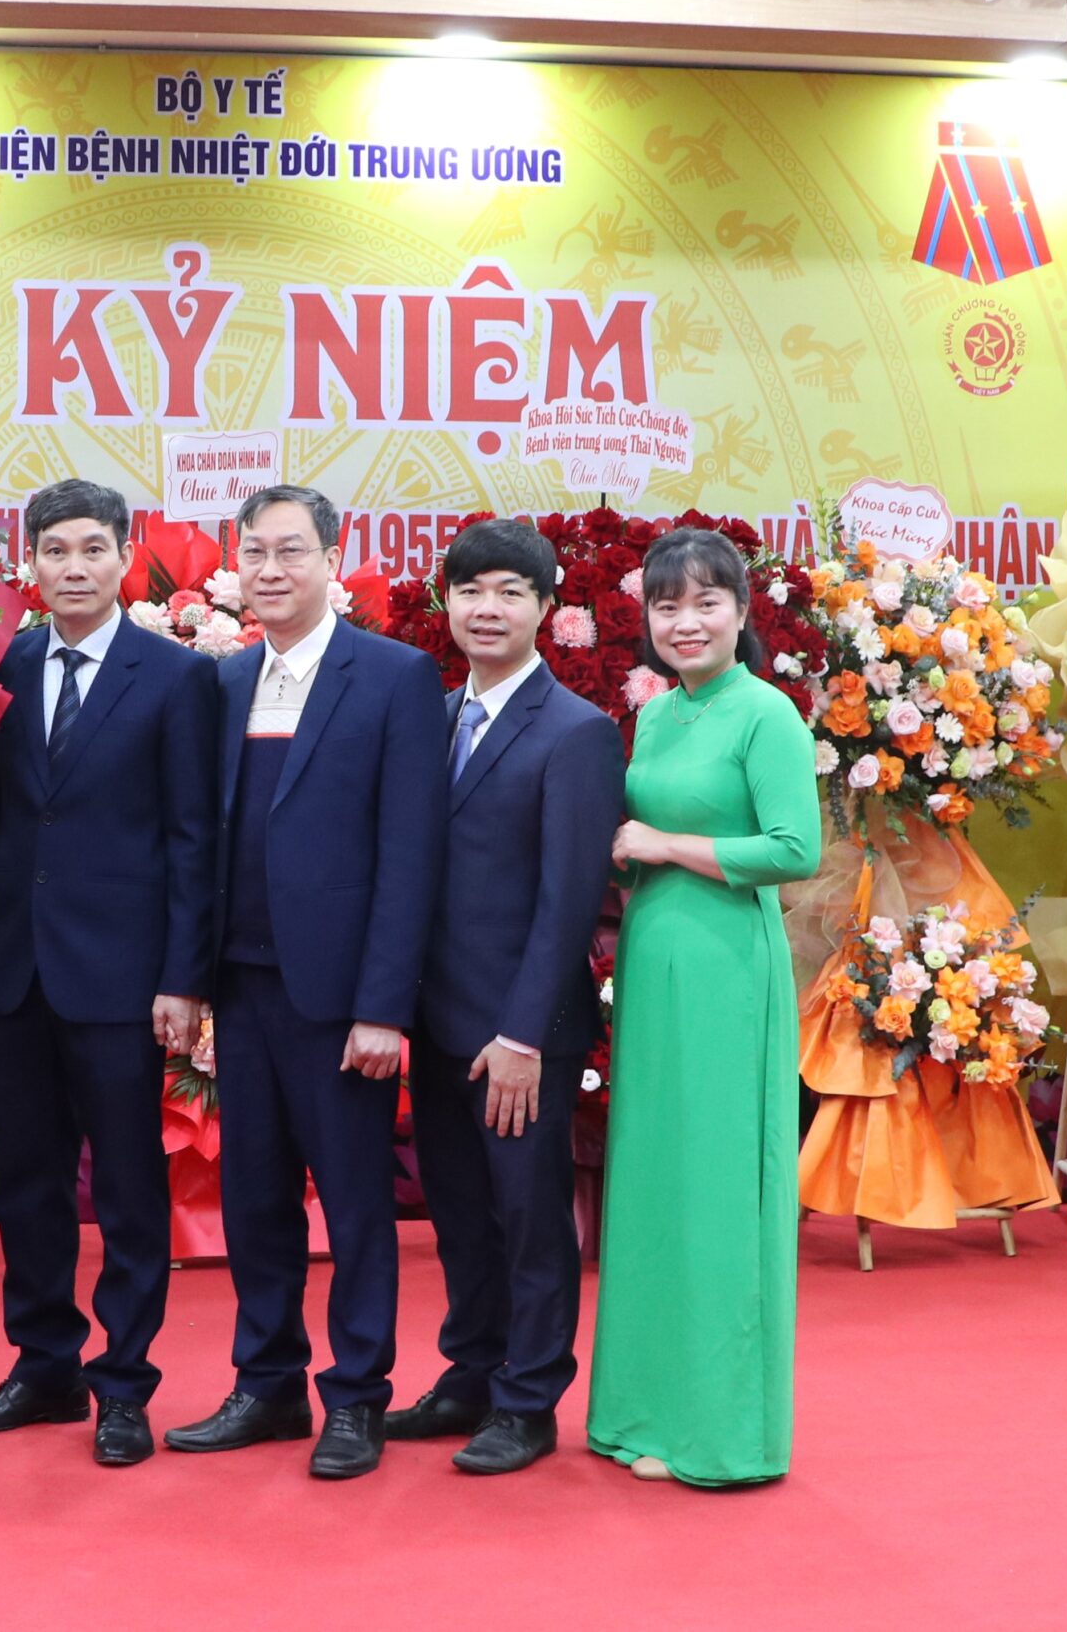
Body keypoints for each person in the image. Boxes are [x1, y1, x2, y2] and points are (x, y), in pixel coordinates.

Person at [0, 479, 219, 1468]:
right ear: (31, 562)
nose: (74, 567)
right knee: (30, 1183)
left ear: (124, 556)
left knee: (129, 1187)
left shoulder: (175, 676)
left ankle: (124, 1381)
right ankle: (43, 1364)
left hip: (124, 976)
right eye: (54, 550)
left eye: (93, 548)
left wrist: (181, 977)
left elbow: (192, 839)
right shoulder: (2, 667)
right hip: (13, 971)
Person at [165, 484, 445, 1480]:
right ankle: (269, 1380)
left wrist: (383, 1005)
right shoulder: (227, 679)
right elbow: (201, 840)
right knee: (255, 1196)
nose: (271, 568)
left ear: (333, 559)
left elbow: (409, 852)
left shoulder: (395, 676)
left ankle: (358, 1393)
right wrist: (187, 978)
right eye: (255, 551)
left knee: (358, 1204)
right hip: (242, 985)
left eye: (291, 550)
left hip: (341, 997)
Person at [392, 520, 624, 1475]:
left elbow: (570, 898)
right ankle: (471, 1374)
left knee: (529, 1220)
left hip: (521, 1032)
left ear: (546, 607)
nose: (487, 609)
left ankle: (529, 1398)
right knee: (458, 1212)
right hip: (437, 1021)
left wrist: (523, 1033)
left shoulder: (577, 731)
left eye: (509, 592)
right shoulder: (432, 714)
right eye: (470, 590)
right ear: (447, 601)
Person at [590, 526, 820, 1487]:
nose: (685, 621)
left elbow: (795, 849)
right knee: (654, 1180)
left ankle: (722, 1431)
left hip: (728, 966)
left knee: (718, 1186)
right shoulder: (658, 714)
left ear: (741, 610)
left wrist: (664, 845)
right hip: (656, 960)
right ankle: (647, 1409)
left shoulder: (766, 713)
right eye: (666, 605)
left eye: (705, 602)